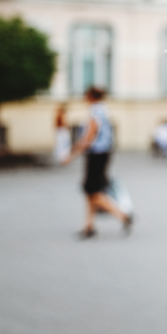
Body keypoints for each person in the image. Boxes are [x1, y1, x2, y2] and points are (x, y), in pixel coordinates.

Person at [64, 86, 132, 238]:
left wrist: (73, 153)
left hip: (96, 155)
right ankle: (89, 226)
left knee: (92, 190)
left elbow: (89, 136)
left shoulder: (94, 111)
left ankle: (123, 215)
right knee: (90, 191)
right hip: (103, 153)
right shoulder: (104, 109)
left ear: (90, 96)